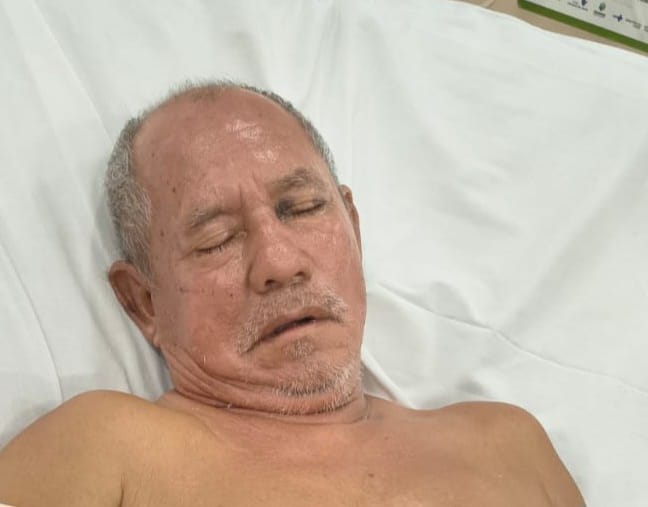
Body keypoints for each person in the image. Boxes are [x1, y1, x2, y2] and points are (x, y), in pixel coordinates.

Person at [0, 81, 585, 506]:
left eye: (302, 208)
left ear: (353, 228)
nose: (279, 263)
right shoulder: (107, 450)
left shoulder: (508, 444)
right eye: (216, 239)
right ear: (143, 303)